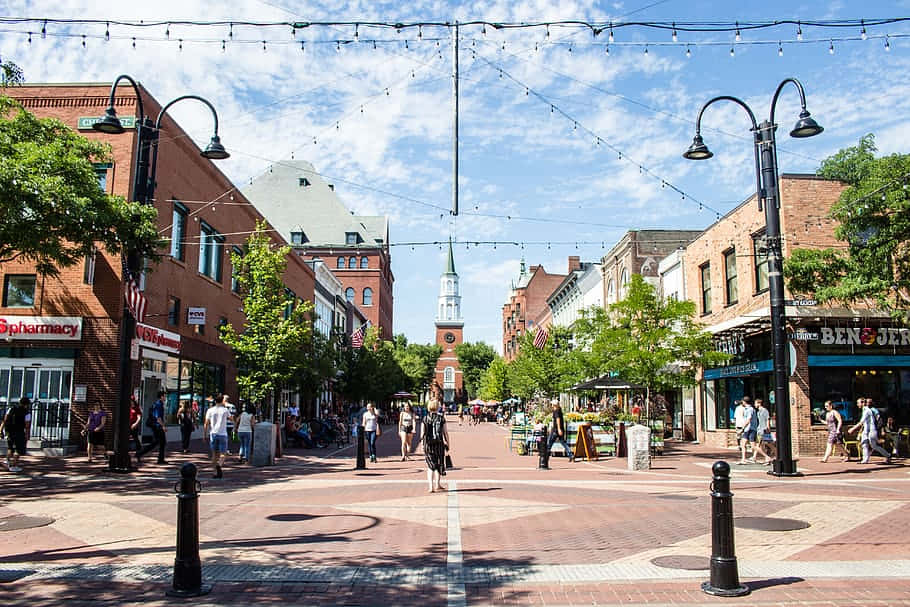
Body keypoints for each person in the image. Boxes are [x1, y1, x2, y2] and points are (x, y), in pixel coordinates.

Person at [848, 397, 891, 464]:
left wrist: (852, 429)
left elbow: (861, 422)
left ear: (862, 403)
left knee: (874, 446)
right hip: (866, 431)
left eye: (858, 403)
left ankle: (888, 455)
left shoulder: (867, 411)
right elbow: (864, 423)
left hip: (871, 430)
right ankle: (865, 460)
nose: (857, 404)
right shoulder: (864, 410)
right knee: (864, 444)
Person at [423, 400, 450, 492]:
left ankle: (431, 487)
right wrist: (447, 443)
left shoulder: (425, 418)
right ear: (437, 406)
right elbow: (445, 432)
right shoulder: (441, 418)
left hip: (428, 445)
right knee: (438, 464)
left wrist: (423, 443)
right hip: (439, 444)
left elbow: (422, 433)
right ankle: (437, 485)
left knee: (430, 466)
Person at [1, 397, 31, 473]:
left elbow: (4, 420)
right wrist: (27, 435)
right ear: (27, 404)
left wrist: (1, 429)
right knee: (19, 450)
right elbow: (27, 426)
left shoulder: (11, 409)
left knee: (10, 448)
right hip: (19, 432)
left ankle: (7, 461)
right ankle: (14, 466)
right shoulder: (26, 413)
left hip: (9, 431)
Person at [204, 394, 231, 478]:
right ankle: (219, 464)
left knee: (214, 454)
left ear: (215, 401)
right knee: (223, 454)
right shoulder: (225, 410)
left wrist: (205, 435)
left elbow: (206, 423)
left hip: (213, 433)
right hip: (222, 433)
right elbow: (231, 418)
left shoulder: (210, 410)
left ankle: (214, 472)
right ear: (222, 400)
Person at [138, 390, 168, 465]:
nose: (165, 398)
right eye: (165, 396)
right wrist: (163, 426)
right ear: (161, 397)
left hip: (156, 426)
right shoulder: (158, 404)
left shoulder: (159, 404)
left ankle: (140, 453)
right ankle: (159, 459)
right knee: (161, 442)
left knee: (157, 442)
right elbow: (158, 417)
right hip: (157, 426)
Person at [546, 400, 574, 465]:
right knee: (563, 442)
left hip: (556, 430)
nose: (551, 406)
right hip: (559, 429)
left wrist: (558, 429)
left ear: (554, 405)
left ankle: (546, 456)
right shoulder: (559, 411)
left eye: (552, 405)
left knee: (549, 443)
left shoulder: (556, 411)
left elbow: (558, 420)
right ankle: (570, 455)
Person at [753, 398, 773, 464]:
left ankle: (767, 457)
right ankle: (765, 459)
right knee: (760, 445)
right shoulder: (758, 411)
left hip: (764, 430)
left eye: (755, 403)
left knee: (766, 445)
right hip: (760, 430)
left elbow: (767, 419)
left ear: (759, 403)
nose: (754, 405)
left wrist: (768, 428)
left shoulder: (764, 410)